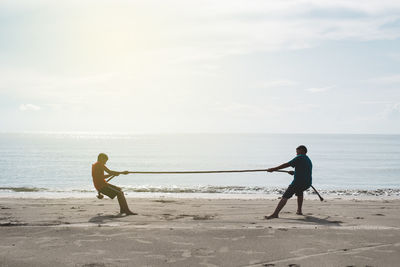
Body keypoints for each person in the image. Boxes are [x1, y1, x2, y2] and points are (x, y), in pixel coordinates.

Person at [265, 145, 312, 219]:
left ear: (302, 151)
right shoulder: (307, 159)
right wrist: (294, 172)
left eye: (297, 151)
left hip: (298, 182)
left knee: (285, 196)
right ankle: (299, 211)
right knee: (299, 192)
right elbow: (304, 170)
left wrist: (274, 169)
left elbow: (287, 164)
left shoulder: (300, 157)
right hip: (307, 183)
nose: (296, 154)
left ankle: (275, 214)